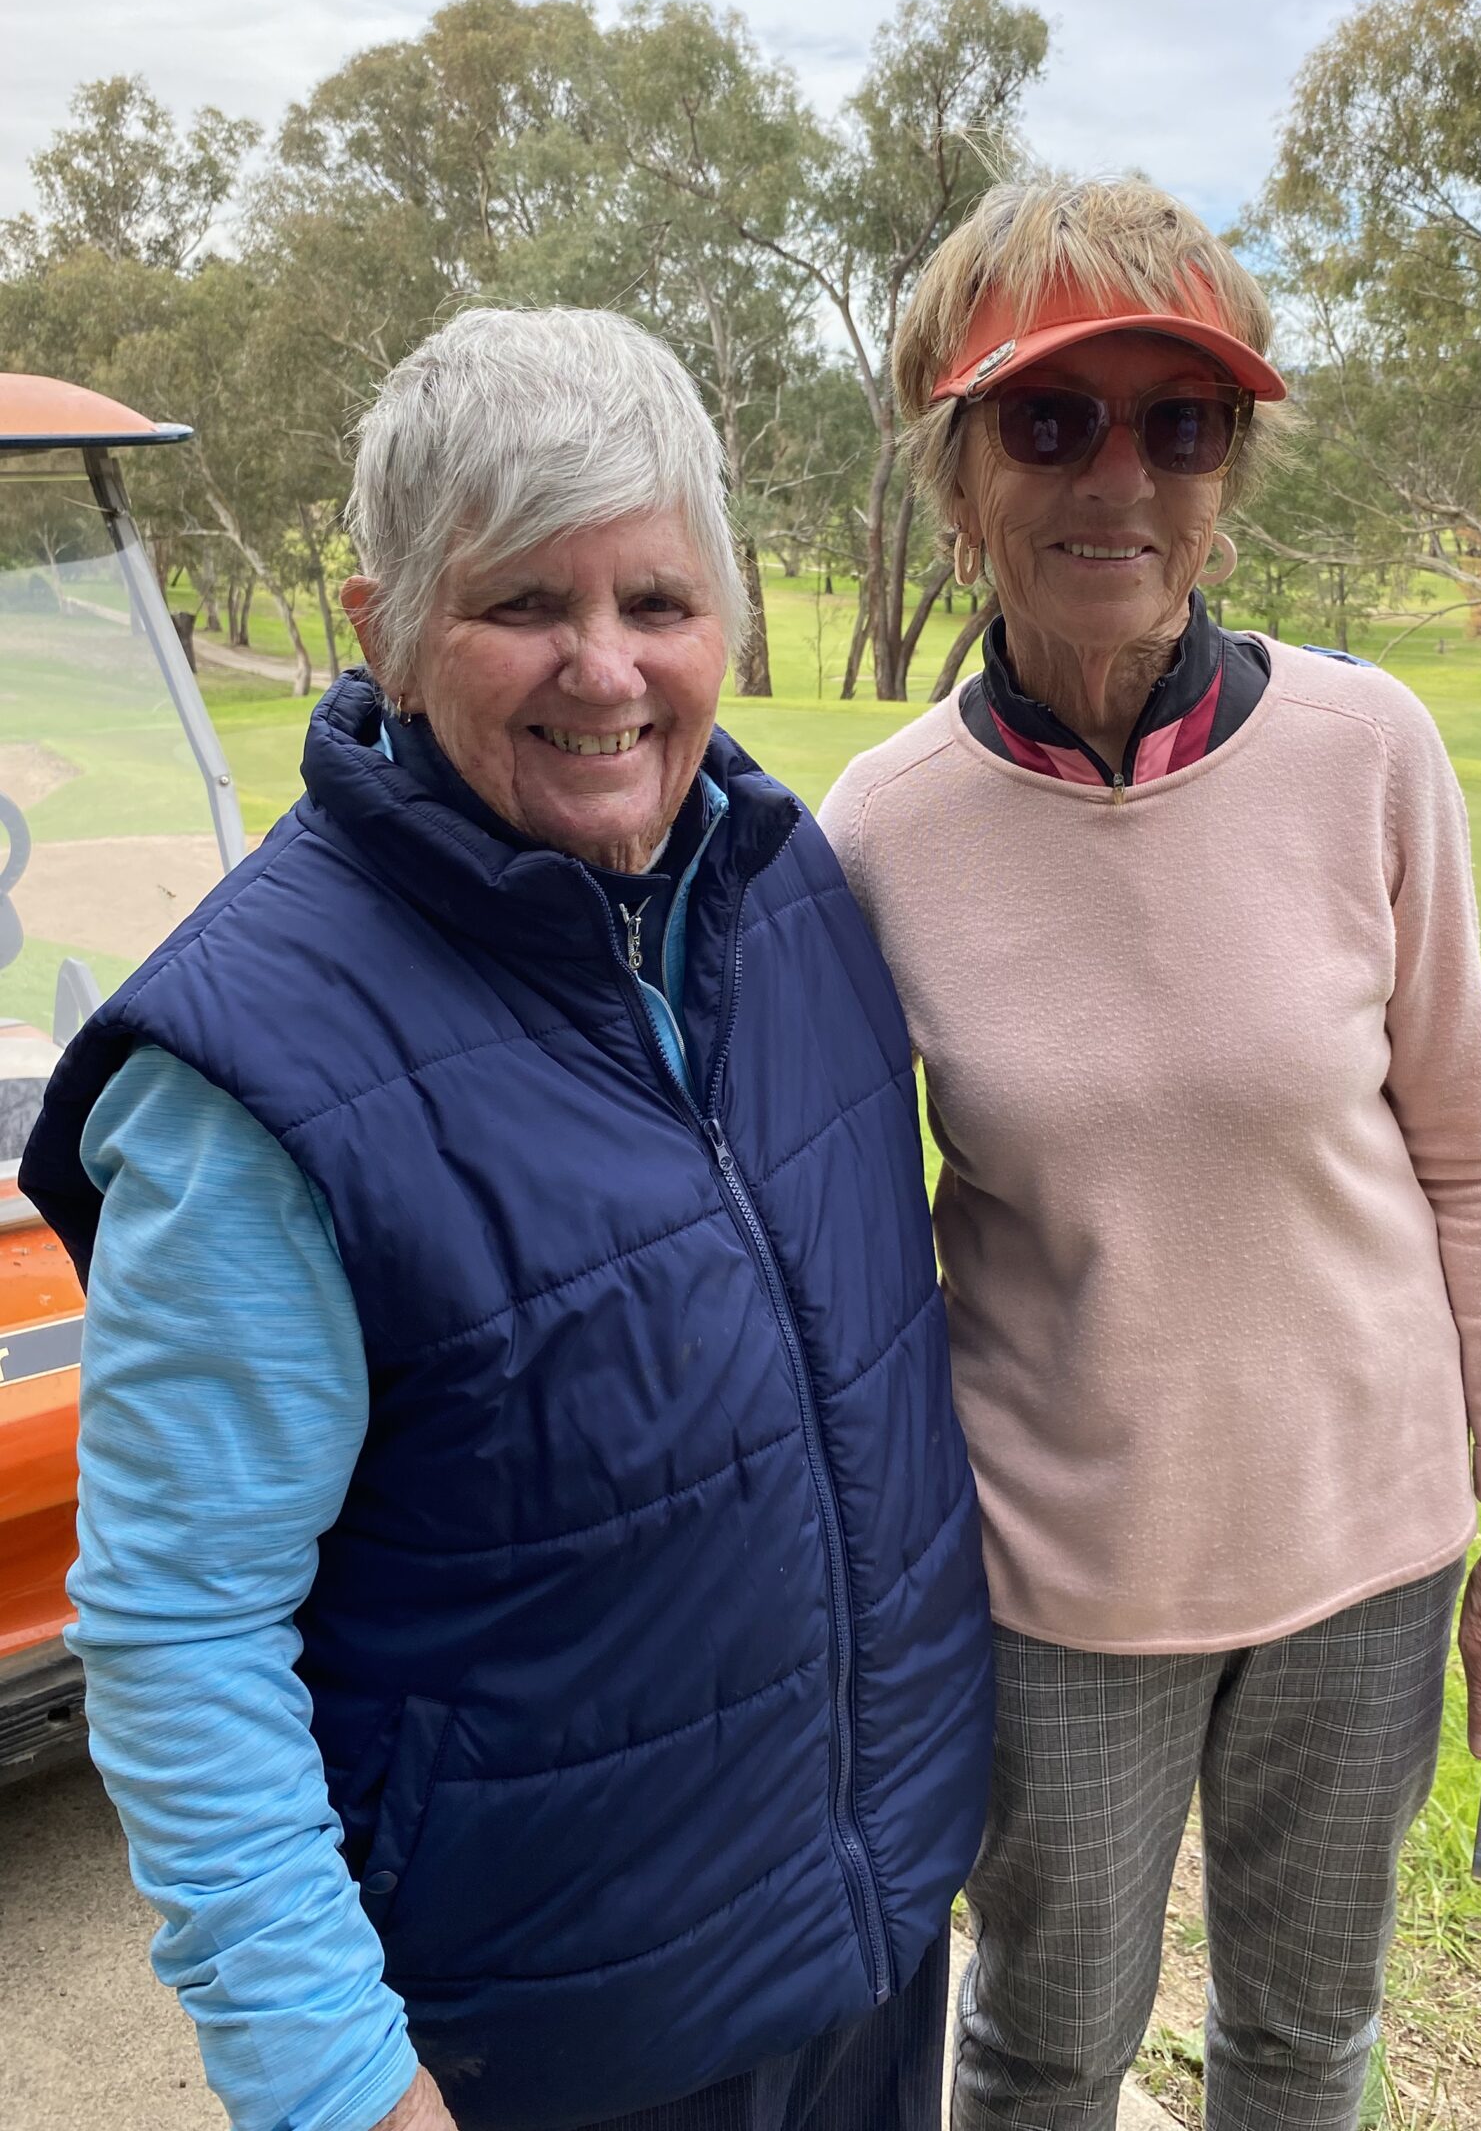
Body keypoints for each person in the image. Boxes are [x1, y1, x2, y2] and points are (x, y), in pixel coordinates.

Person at [23, 308, 993, 2131]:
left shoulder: (794, 904)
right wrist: (330, 2080)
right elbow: (179, 1627)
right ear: (380, 618)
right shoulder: (254, 1080)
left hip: (865, 1951)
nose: (607, 672)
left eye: (657, 602)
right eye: (525, 605)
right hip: (557, 2048)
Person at [818, 179, 1481, 2131]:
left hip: (1369, 1554)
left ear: (1231, 465)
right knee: (1045, 2043)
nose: (1124, 477)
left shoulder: (1371, 750)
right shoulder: (880, 833)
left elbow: (1469, 1157)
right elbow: (839, 1249)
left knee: (1304, 2037)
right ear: (954, 467)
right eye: (1052, 418)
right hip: (1057, 1585)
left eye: (1186, 421)